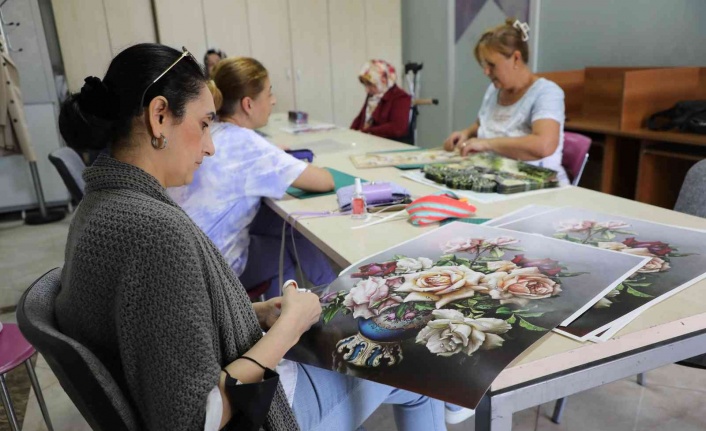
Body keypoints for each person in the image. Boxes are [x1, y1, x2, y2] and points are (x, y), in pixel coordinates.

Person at [55, 43, 448, 431]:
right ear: (159, 116)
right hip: (262, 412)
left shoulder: (104, 205)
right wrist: (289, 327)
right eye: (204, 124)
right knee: (417, 367)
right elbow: (195, 419)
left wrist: (255, 313)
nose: (210, 147)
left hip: (217, 370)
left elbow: (166, 325)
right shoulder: (156, 234)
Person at [168, 56, 337, 299]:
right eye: (269, 94)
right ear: (248, 104)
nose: (274, 101)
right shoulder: (247, 144)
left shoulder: (210, 130)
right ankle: (324, 306)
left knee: (279, 223)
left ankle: (320, 305)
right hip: (212, 272)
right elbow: (324, 181)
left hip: (185, 260)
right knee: (288, 242)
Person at [443, 19, 568, 185]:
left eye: (491, 65)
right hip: (494, 178)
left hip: (536, 185)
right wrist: (465, 133)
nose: (486, 71)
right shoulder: (494, 90)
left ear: (516, 58)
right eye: (483, 65)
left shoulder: (546, 93)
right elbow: (483, 124)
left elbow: (544, 145)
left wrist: (487, 144)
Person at [351, 59, 412, 141]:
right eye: (365, 85)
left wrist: (367, 132)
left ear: (383, 80)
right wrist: (350, 134)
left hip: (389, 146)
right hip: (369, 141)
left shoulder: (400, 97)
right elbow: (361, 118)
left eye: (370, 85)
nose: (367, 90)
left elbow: (398, 128)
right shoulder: (373, 94)